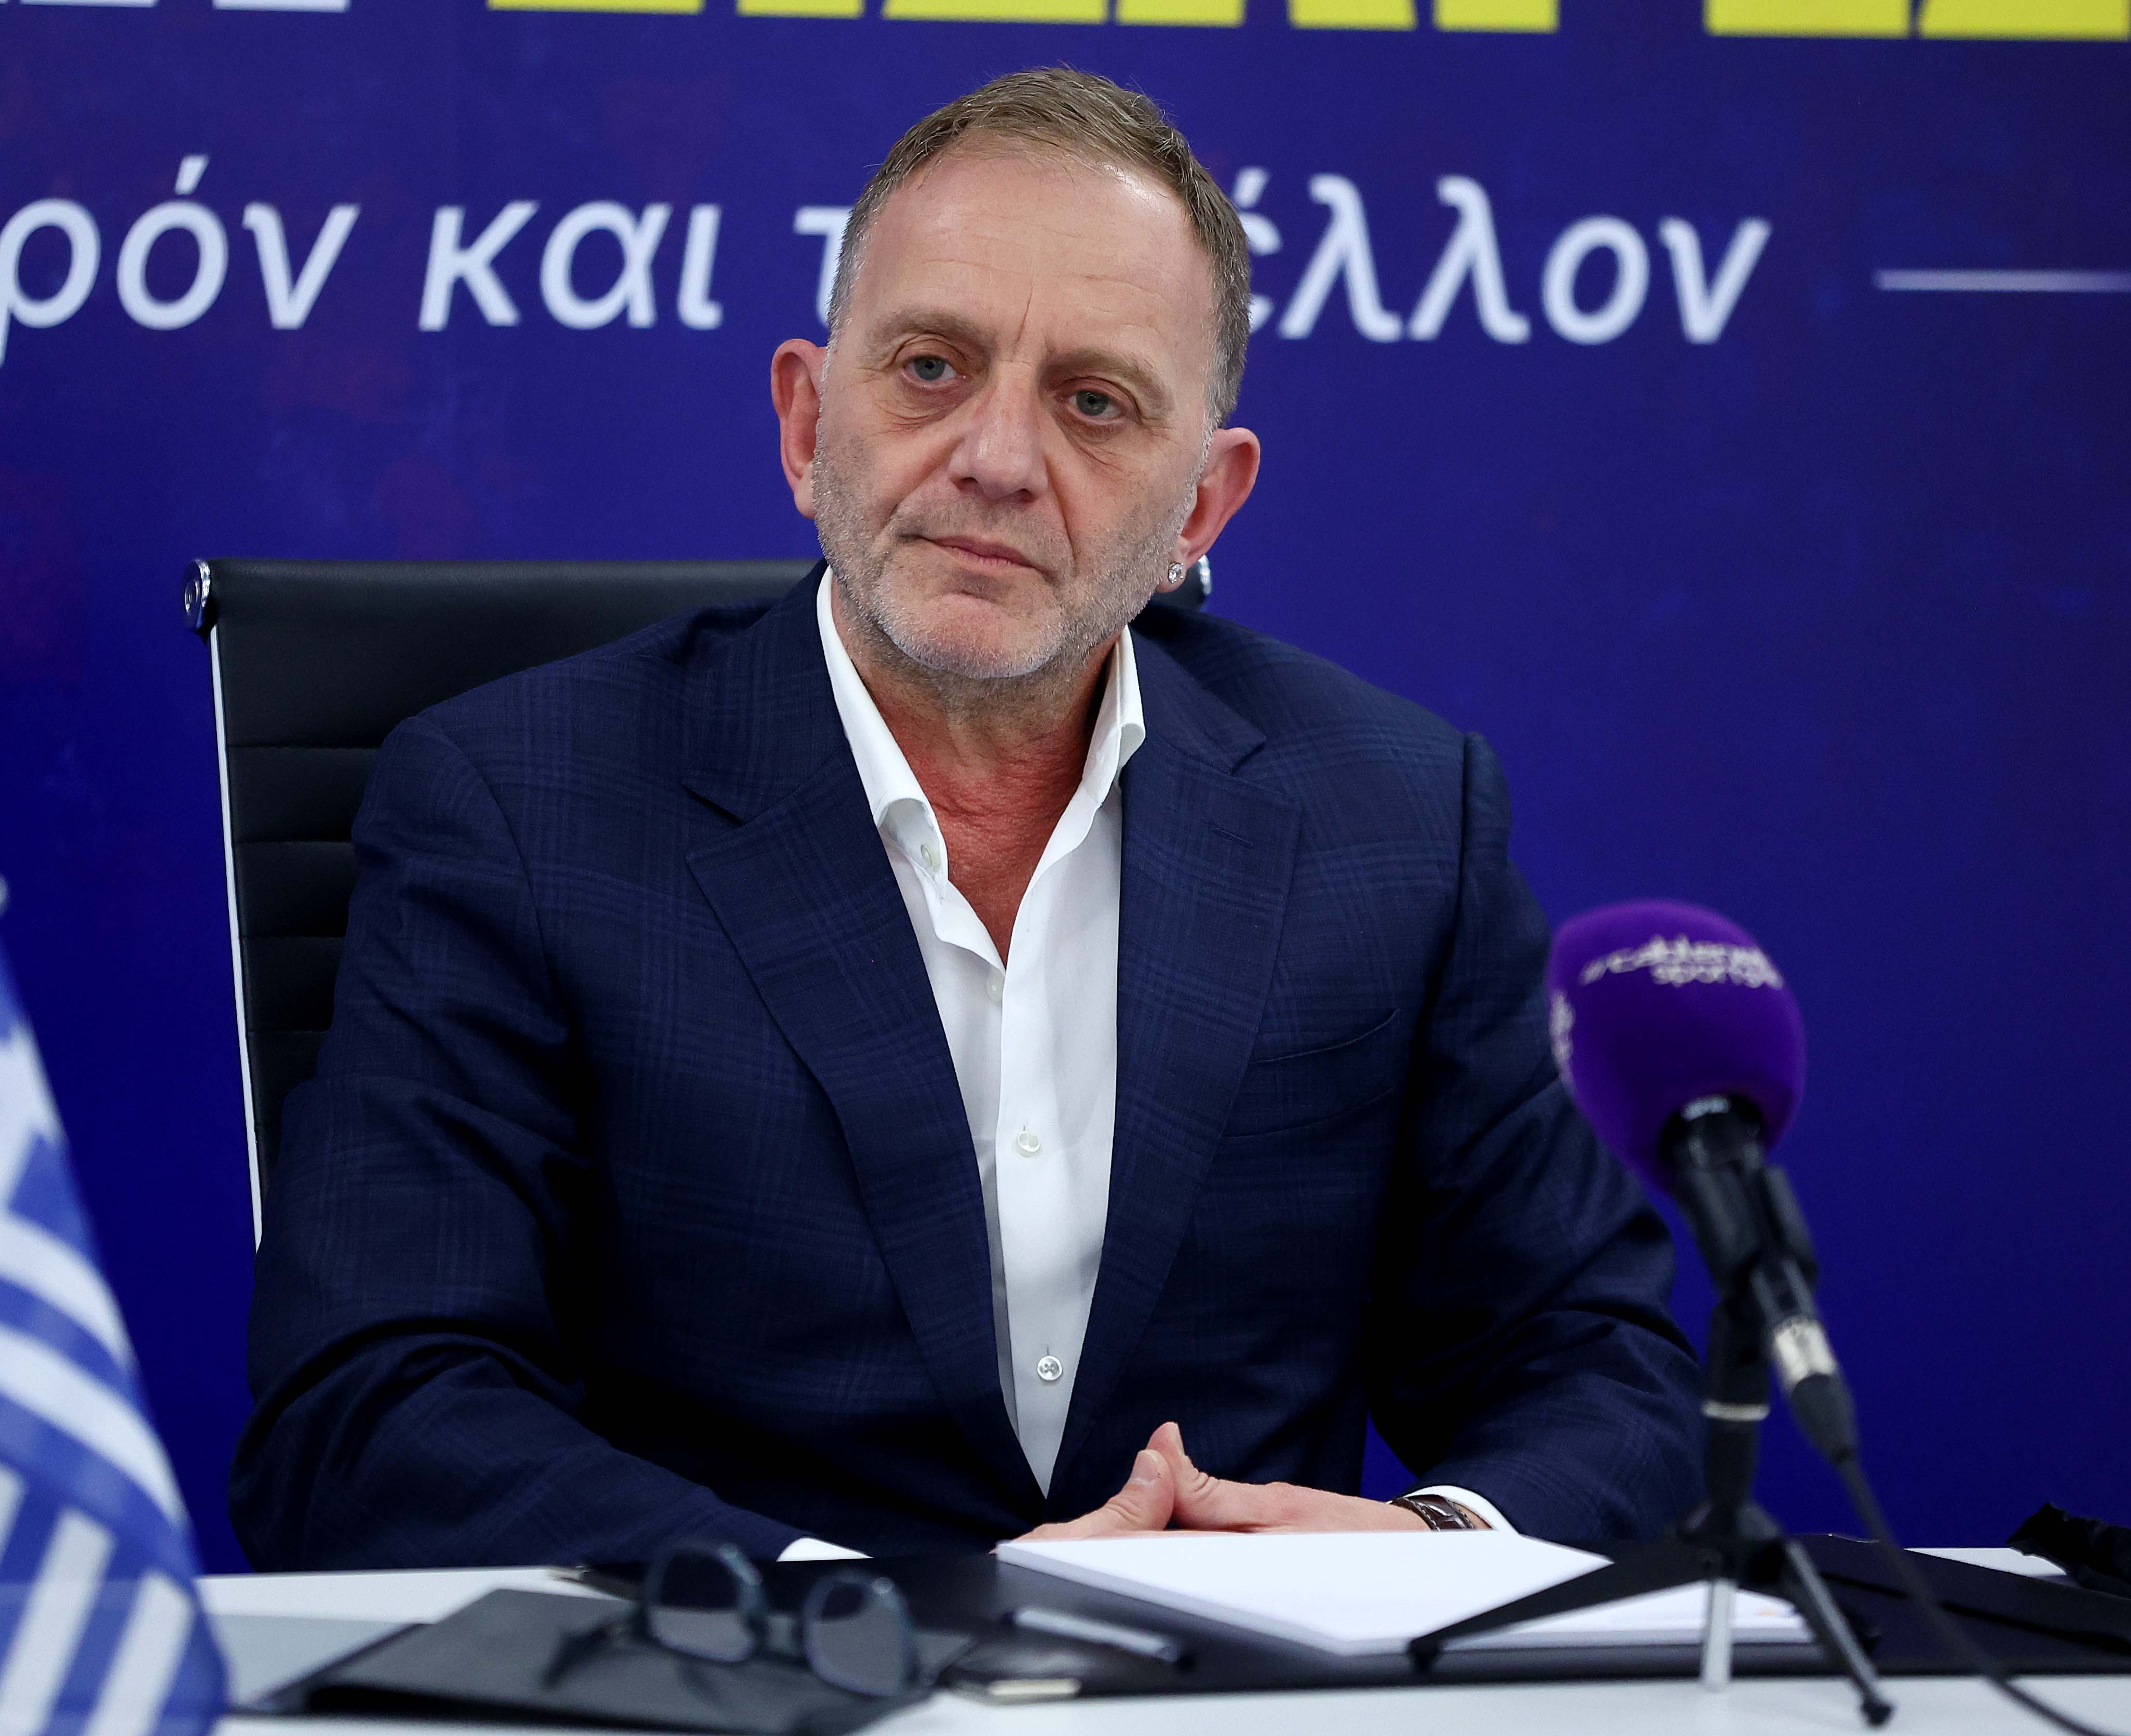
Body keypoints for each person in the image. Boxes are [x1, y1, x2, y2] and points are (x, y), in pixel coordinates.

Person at [230, 68, 1700, 1569]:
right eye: (931, 367)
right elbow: (367, 1411)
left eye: (1094, 402)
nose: (997, 459)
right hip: (744, 1678)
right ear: (808, 423)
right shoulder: (521, 805)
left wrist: (1416, 1548)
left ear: (1201, 509)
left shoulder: (1392, 817)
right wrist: (857, 1623)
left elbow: (1601, 1370)